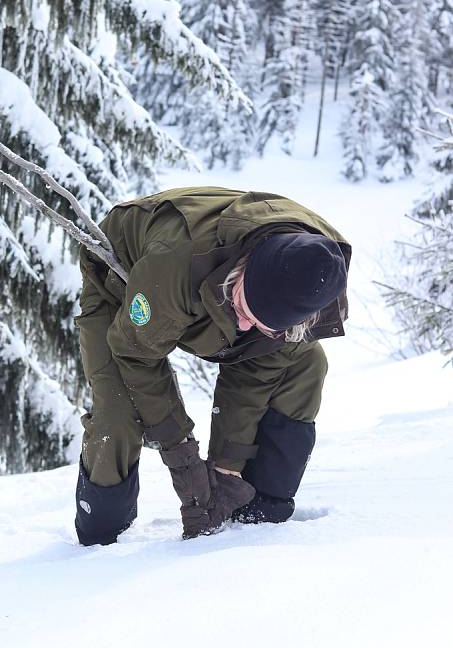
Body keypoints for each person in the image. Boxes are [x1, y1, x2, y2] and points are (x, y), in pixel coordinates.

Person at [74, 187, 351, 545]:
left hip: (206, 293)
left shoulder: (316, 279)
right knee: (119, 408)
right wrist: (182, 455)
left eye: (263, 325)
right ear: (243, 271)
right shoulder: (177, 263)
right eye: (246, 311)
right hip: (126, 284)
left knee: (305, 363)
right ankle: (100, 534)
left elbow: (253, 370)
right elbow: (136, 354)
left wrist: (227, 468)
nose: (248, 328)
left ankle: (260, 511)